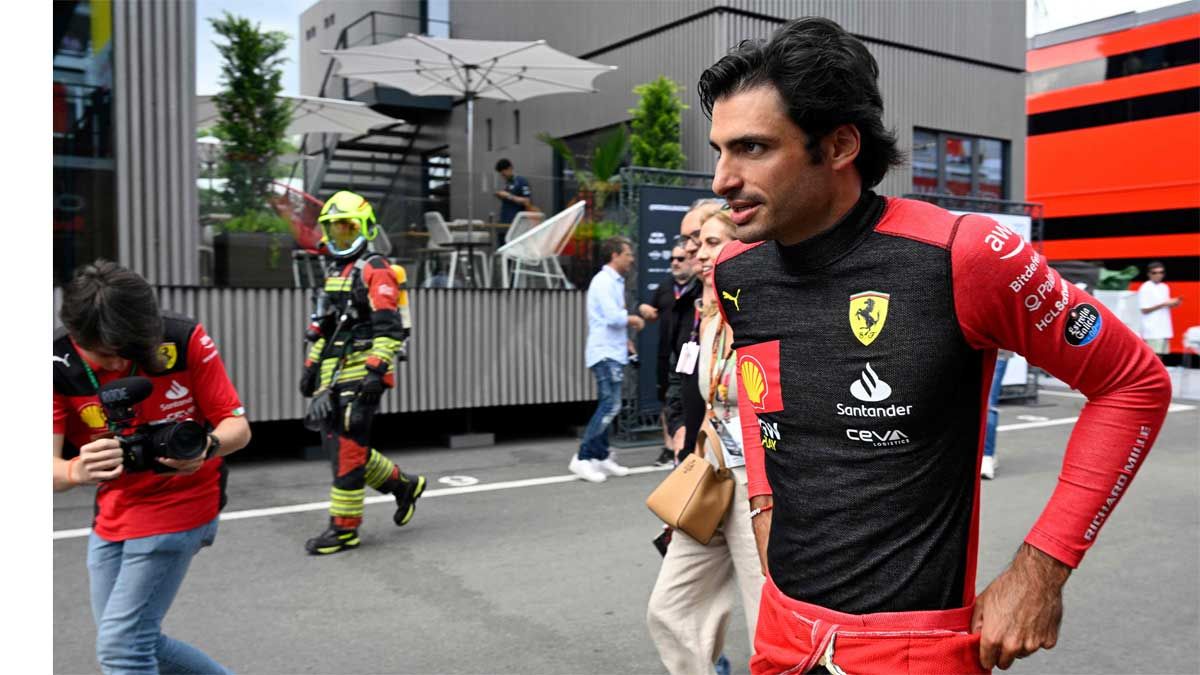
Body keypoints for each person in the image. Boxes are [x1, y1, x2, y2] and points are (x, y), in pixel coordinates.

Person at [700, 17, 1172, 674]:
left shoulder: (963, 254)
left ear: (838, 146)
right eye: (720, 149)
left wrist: (1040, 571)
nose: (722, 177)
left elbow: (1135, 383)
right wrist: (763, 502)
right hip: (783, 633)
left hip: (917, 650)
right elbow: (760, 388)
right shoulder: (735, 271)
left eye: (751, 148)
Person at [53, 260, 252, 674]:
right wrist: (75, 471)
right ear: (75, 335)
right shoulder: (56, 363)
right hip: (114, 509)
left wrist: (207, 447)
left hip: (185, 501)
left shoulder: (182, 338)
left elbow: (238, 428)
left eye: (123, 354)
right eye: (102, 354)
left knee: (122, 649)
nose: (113, 366)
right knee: (136, 639)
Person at [647, 208, 765, 674]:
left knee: (765, 619)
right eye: (697, 244)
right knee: (670, 609)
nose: (699, 253)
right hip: (710, 474)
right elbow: (689, 380)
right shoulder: (707, 315)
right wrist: (682, 435)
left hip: (760, 481)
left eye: (712, 243)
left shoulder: (766, 309)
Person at [300, 190, 426, 554]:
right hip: (333, 371)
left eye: (346, 228)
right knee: (340, 446)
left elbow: (388, 331)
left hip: (363, 368)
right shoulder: (335, 271)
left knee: (349, 448)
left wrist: (375, 373)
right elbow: (329, 329)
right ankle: (404, 486)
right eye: (333, 230)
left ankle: (343, 529)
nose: (340, 236)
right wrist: (311, 367)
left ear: (365, 227)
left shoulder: (376, 269)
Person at [572, 235, 644, 483]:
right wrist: (634, 319)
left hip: (611, 350)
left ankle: (600, 456)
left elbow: (610, 319)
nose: (632, 258)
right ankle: (582, 457)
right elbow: (613, 317)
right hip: (604, 352)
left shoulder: (612, 281)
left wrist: (627, 342)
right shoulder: (603, 281)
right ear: (615, 255)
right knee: (610, 405)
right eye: (628, 253)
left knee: (609, 404)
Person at [638, 241, 698, 466]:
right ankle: (669, 447)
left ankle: (690, 448)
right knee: (668, 401)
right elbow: (651, 311)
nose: (675, 262)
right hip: (669, 355)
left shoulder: (699, 288)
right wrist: (644, 311)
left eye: (681, 258)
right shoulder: (665, 287)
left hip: (694, 354)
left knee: (690, 401)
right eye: (672, 259)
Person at [1138, 261, 1182, 363]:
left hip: (1164, 327)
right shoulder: (1145, 287)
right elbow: (1144, 309)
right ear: (1149, 274)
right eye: (1155, 273)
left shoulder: (1164, 287)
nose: (1158, 275)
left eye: (1161, 272)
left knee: (1160, 356)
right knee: (1154, 357)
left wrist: (1174, 303)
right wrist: (1165, 304)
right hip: (1152, 329)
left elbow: (1165, 304)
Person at [981, 350, 1012, 480]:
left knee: (988, 402)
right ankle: (984, 456)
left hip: (996, 350)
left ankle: (987, 456)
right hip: (968, 347)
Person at [494, 158, 533, 224]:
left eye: (504, 174)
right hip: (505, 221)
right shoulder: (507, 184)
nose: (503, 177)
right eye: (501, 175)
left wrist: (508, 196)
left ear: (510, 168)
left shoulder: (521, 181)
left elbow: (527, 201)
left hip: (516, 222)